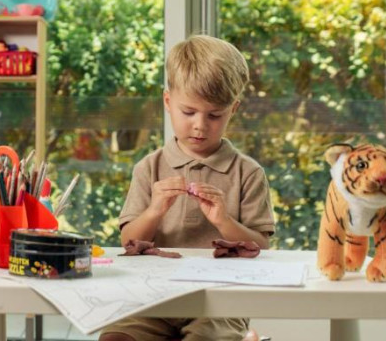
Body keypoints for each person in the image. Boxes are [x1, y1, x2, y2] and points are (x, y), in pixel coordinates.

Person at [100, 34, 275, 341]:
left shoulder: (248, 172)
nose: (200, 125)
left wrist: (223, 221)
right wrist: (154, 211)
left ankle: (245, 336)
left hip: (220, 301)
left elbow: (262, 246)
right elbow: (128, 241)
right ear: (168, 102)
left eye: (214, 115)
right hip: (151, 298)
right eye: (189, 112)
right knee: (115, 338)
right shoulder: (149, 168)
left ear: (233, 109)